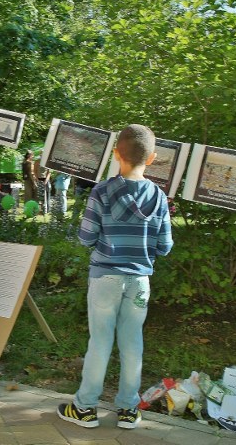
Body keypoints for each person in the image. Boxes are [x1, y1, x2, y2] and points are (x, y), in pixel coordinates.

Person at [57, 124, 173, 430]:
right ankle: (128, 410)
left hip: (105, 278)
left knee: (100, 342)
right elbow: (165, 246)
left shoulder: (101, 191)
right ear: (152, 158)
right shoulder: (159, 196)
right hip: (140, 282)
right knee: (133, 344)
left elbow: (86, 237)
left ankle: (85, 408)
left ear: (115, 154)